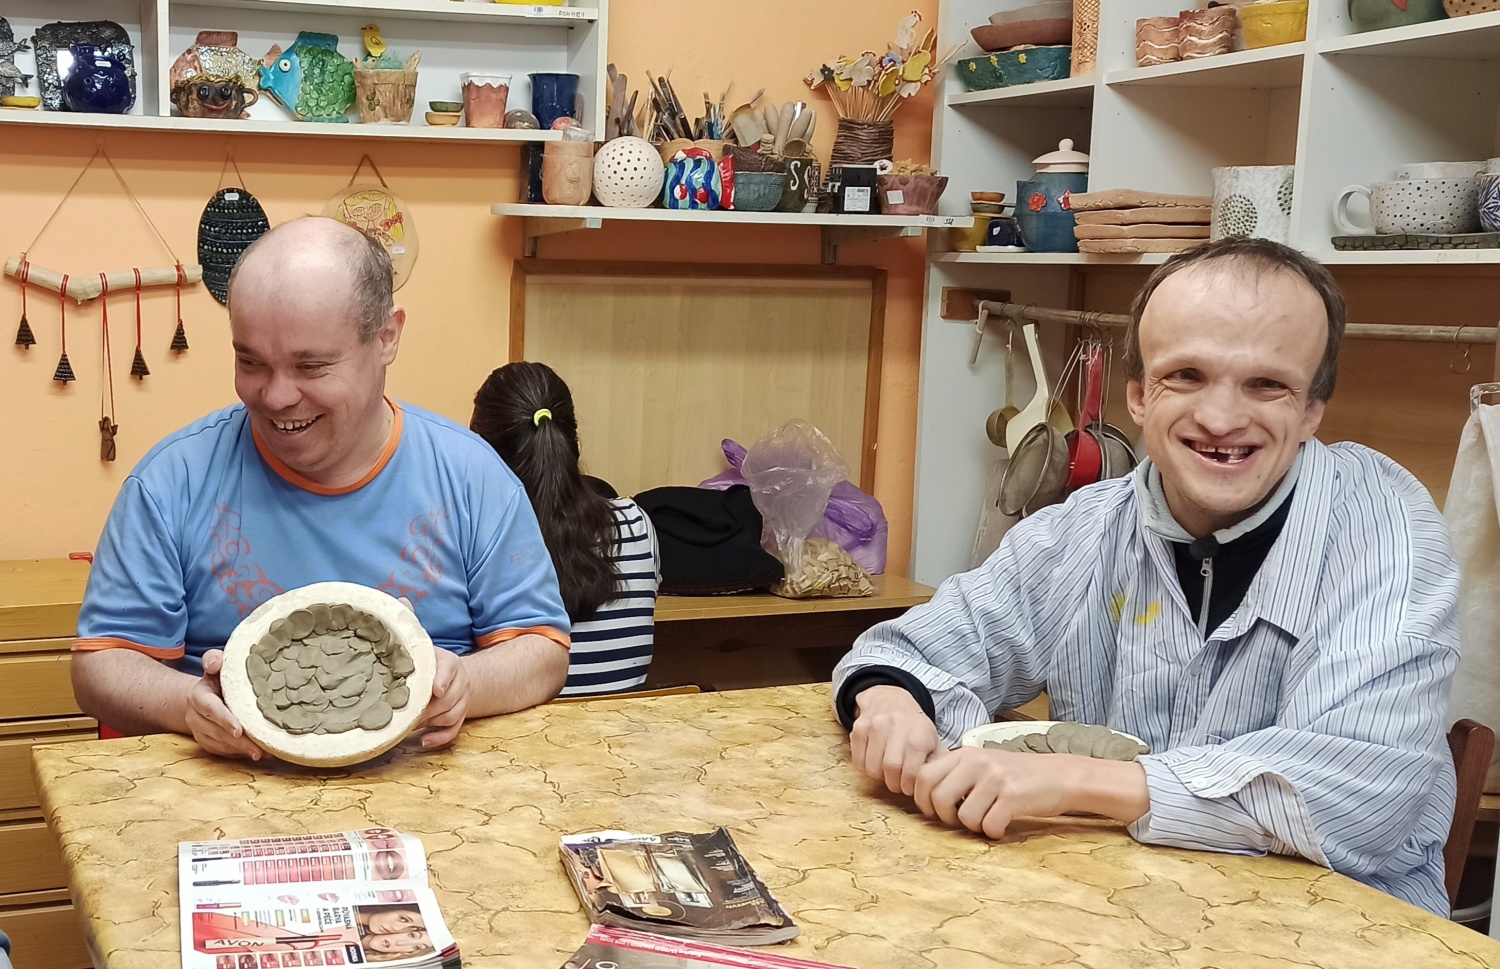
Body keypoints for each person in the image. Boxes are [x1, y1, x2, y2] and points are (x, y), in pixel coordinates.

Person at [833, 237, 1460, 916]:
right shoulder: (1085, 527)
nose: (1220, 419)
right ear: (1137, 396)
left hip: (1340, 927)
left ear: (1311, 409)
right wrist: (892, 702)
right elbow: (909, 650)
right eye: (1186, 375)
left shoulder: (1384, 531)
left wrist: (1073, 780)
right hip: (1117, 907)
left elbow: (1364, 791)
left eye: (1267, 384)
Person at [71, 218, 572, 759]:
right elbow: (100, 665)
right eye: (250, 362)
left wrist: (467, 683)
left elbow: (542, 650)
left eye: (311, 366)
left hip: (421, 782)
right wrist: (184, 706)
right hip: (233, 781)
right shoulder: (172, 481)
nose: (276, 396)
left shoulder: (472, 476)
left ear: (387, 337)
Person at [471, 362, 660, 696]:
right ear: (572, 439)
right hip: (624, 727)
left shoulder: (475, 538)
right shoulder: (636, 524)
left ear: (481, 450)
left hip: (525, 728)